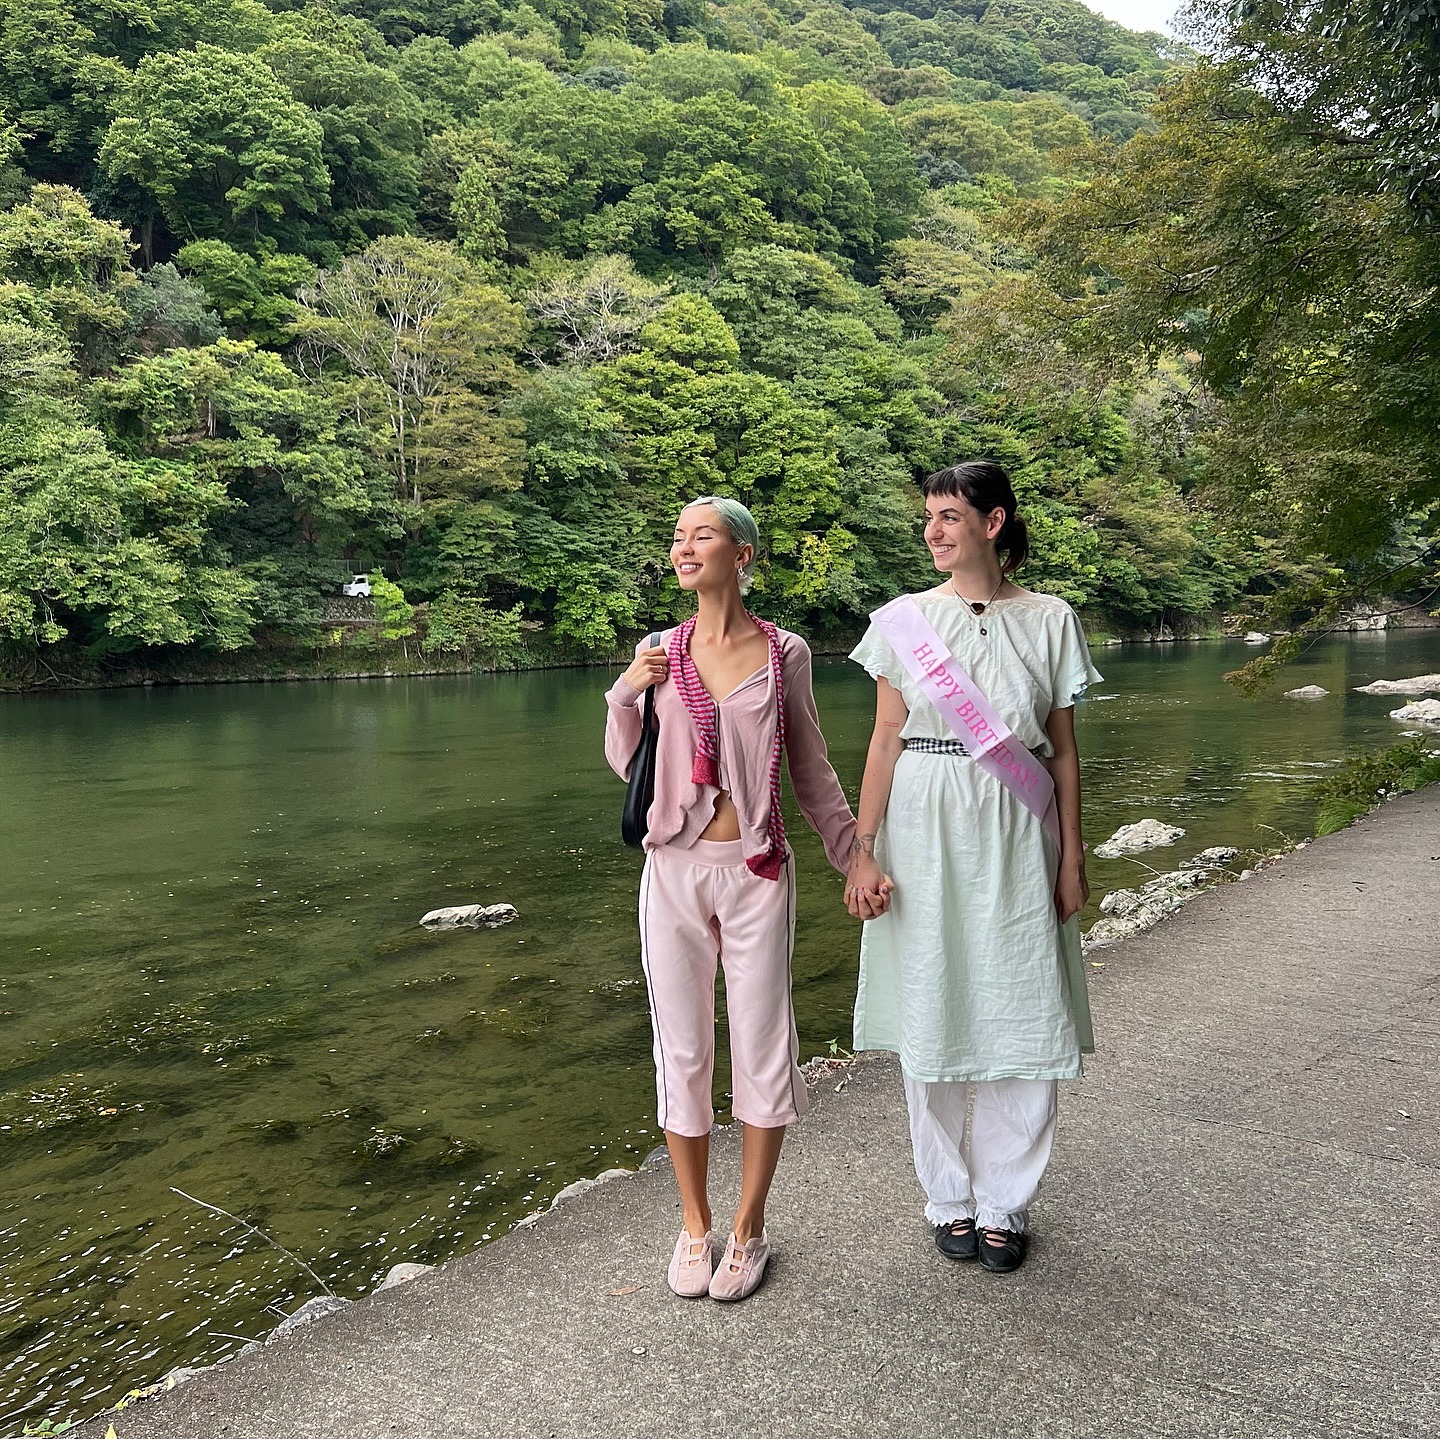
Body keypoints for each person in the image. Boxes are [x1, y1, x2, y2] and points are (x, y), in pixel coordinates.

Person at [844, 460, 1101, 1274]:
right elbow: (885, 738)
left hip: (1020, 823)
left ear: (993, 522)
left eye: (951, 516)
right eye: (929, 516)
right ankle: (947, 1196)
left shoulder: (1052, 618)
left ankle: (1003, 1203)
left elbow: (1061, 751)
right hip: (923, 817)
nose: (934, 531)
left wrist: (1074, 854)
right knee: (933, 1002)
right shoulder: (903, 621)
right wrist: (863, 846)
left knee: (1025, 1006)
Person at [604, 497, 856, 1301]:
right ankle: (694, 1223)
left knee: (761, 1044)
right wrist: (624, 692)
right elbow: (629, 767)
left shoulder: (784, 653)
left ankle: (749, 1228)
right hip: (673, 869)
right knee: (681, 1047)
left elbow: (810, 765)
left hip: (755, 870)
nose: (683, 547)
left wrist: (852, 853)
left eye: (701, 534)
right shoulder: (657, 651)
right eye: (677, 536)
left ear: (742, 553)